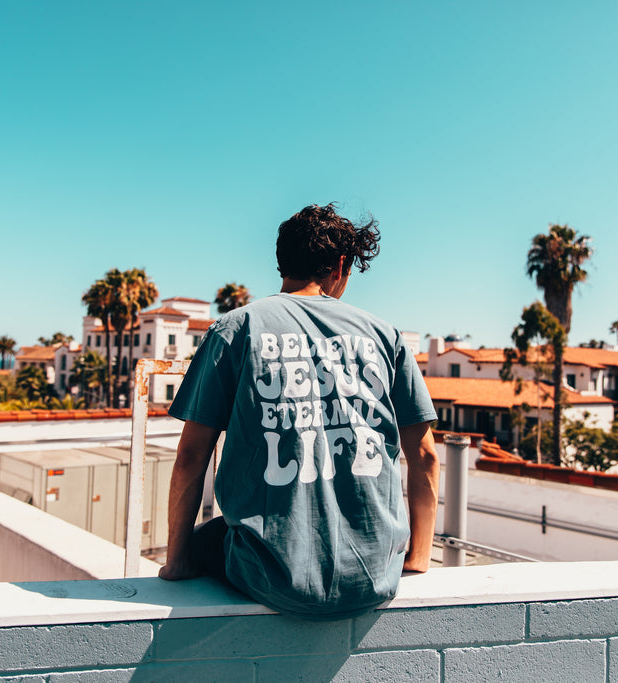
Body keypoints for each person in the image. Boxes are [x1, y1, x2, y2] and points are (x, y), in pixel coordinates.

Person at [159, 203, 440, 619]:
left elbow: (190, 457)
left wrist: (178, 563)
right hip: (377, 576)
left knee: (209, 539)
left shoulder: (236, 328)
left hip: (272, 578)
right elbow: (425, 457)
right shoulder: (386, 336)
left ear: (282, 260)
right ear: (340, 265)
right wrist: (416, 558)